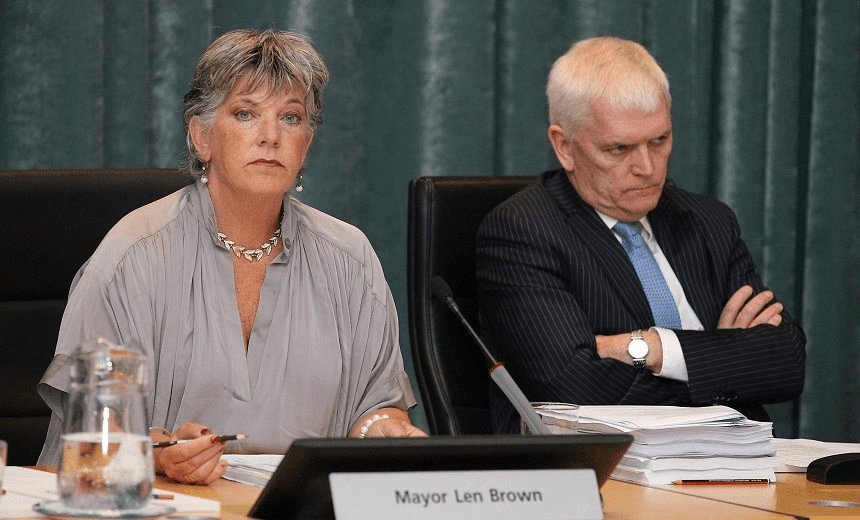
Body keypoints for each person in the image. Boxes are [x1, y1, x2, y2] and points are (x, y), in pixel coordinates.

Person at [37, 28, 424, 484]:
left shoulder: (350, 258)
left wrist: (384, 429)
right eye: (245, 113)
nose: (270, 136)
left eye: (291, 118)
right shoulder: (133, 254)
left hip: (298, 508)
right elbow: (92, 430)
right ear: (201, 137)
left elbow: (373, 407)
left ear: (307, 145)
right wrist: (158, 452)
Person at [476, 36, 806, 434]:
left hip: (729, 465)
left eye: (659, 140)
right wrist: (724, 363)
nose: (647, 167)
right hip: (605, 471)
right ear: (564, 146)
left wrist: (647, 348)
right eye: (619, 149)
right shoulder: (523, 230)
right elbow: (571, 383)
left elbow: (787, 362)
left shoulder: (708, 221)